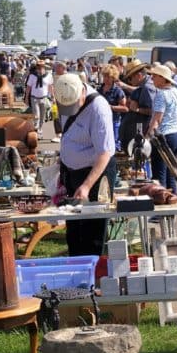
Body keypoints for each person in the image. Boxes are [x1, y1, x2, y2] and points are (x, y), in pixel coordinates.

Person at [56, 73, 114, 256]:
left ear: (82, 91)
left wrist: (87, 185)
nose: (69, 109)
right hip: (72, 173)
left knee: (92, 232)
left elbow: (104, 153)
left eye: (74, 104)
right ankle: (76, 269)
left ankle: (92, 273)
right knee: (73, 228)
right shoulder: (64, 95)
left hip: (94, 174)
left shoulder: (99, 108)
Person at [146, 64, 177, 194]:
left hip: (164, 136)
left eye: (154, 76)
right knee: (171, 171)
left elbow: (157, 119)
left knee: (159, 172)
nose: (152, 79)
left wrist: (147, 138)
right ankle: (172, 199)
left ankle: (160, 204)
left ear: (162, 78)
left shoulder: (161, 94)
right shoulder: (176, 92)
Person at [118, 60, 156, 154]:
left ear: (138, 75)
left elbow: (153, 111)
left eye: (130, 78)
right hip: (138, 128)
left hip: (141, 129)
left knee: (140, 156)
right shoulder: (144, 85)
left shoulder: (147, 87)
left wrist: (137, 109)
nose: (129, 81)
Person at [24, 60, 52, 137]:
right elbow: (28, 87)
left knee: (43, 116)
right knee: (36, 116)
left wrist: (53, 97)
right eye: (38, 67)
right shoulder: (32, 76)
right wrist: (26, 98)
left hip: (44, 98)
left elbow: (50, 87)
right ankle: (36, 131)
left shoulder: (48, 75)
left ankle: (39, 129)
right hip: (34, 98)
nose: (40, 68)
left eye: (41, 67)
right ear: (36, 67)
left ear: (44, 67)